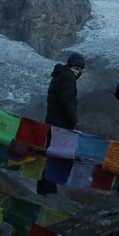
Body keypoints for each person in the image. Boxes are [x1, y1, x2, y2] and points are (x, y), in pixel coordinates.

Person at [39, 52, 84, 195]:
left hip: (52, 122)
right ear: (77, 67)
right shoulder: (68, 77)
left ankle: (44, 188)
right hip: (61, 125)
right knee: (57, 156)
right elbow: (67, 100)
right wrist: (73, 120)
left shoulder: (59, 76)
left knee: (50, 154)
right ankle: (50, 189)